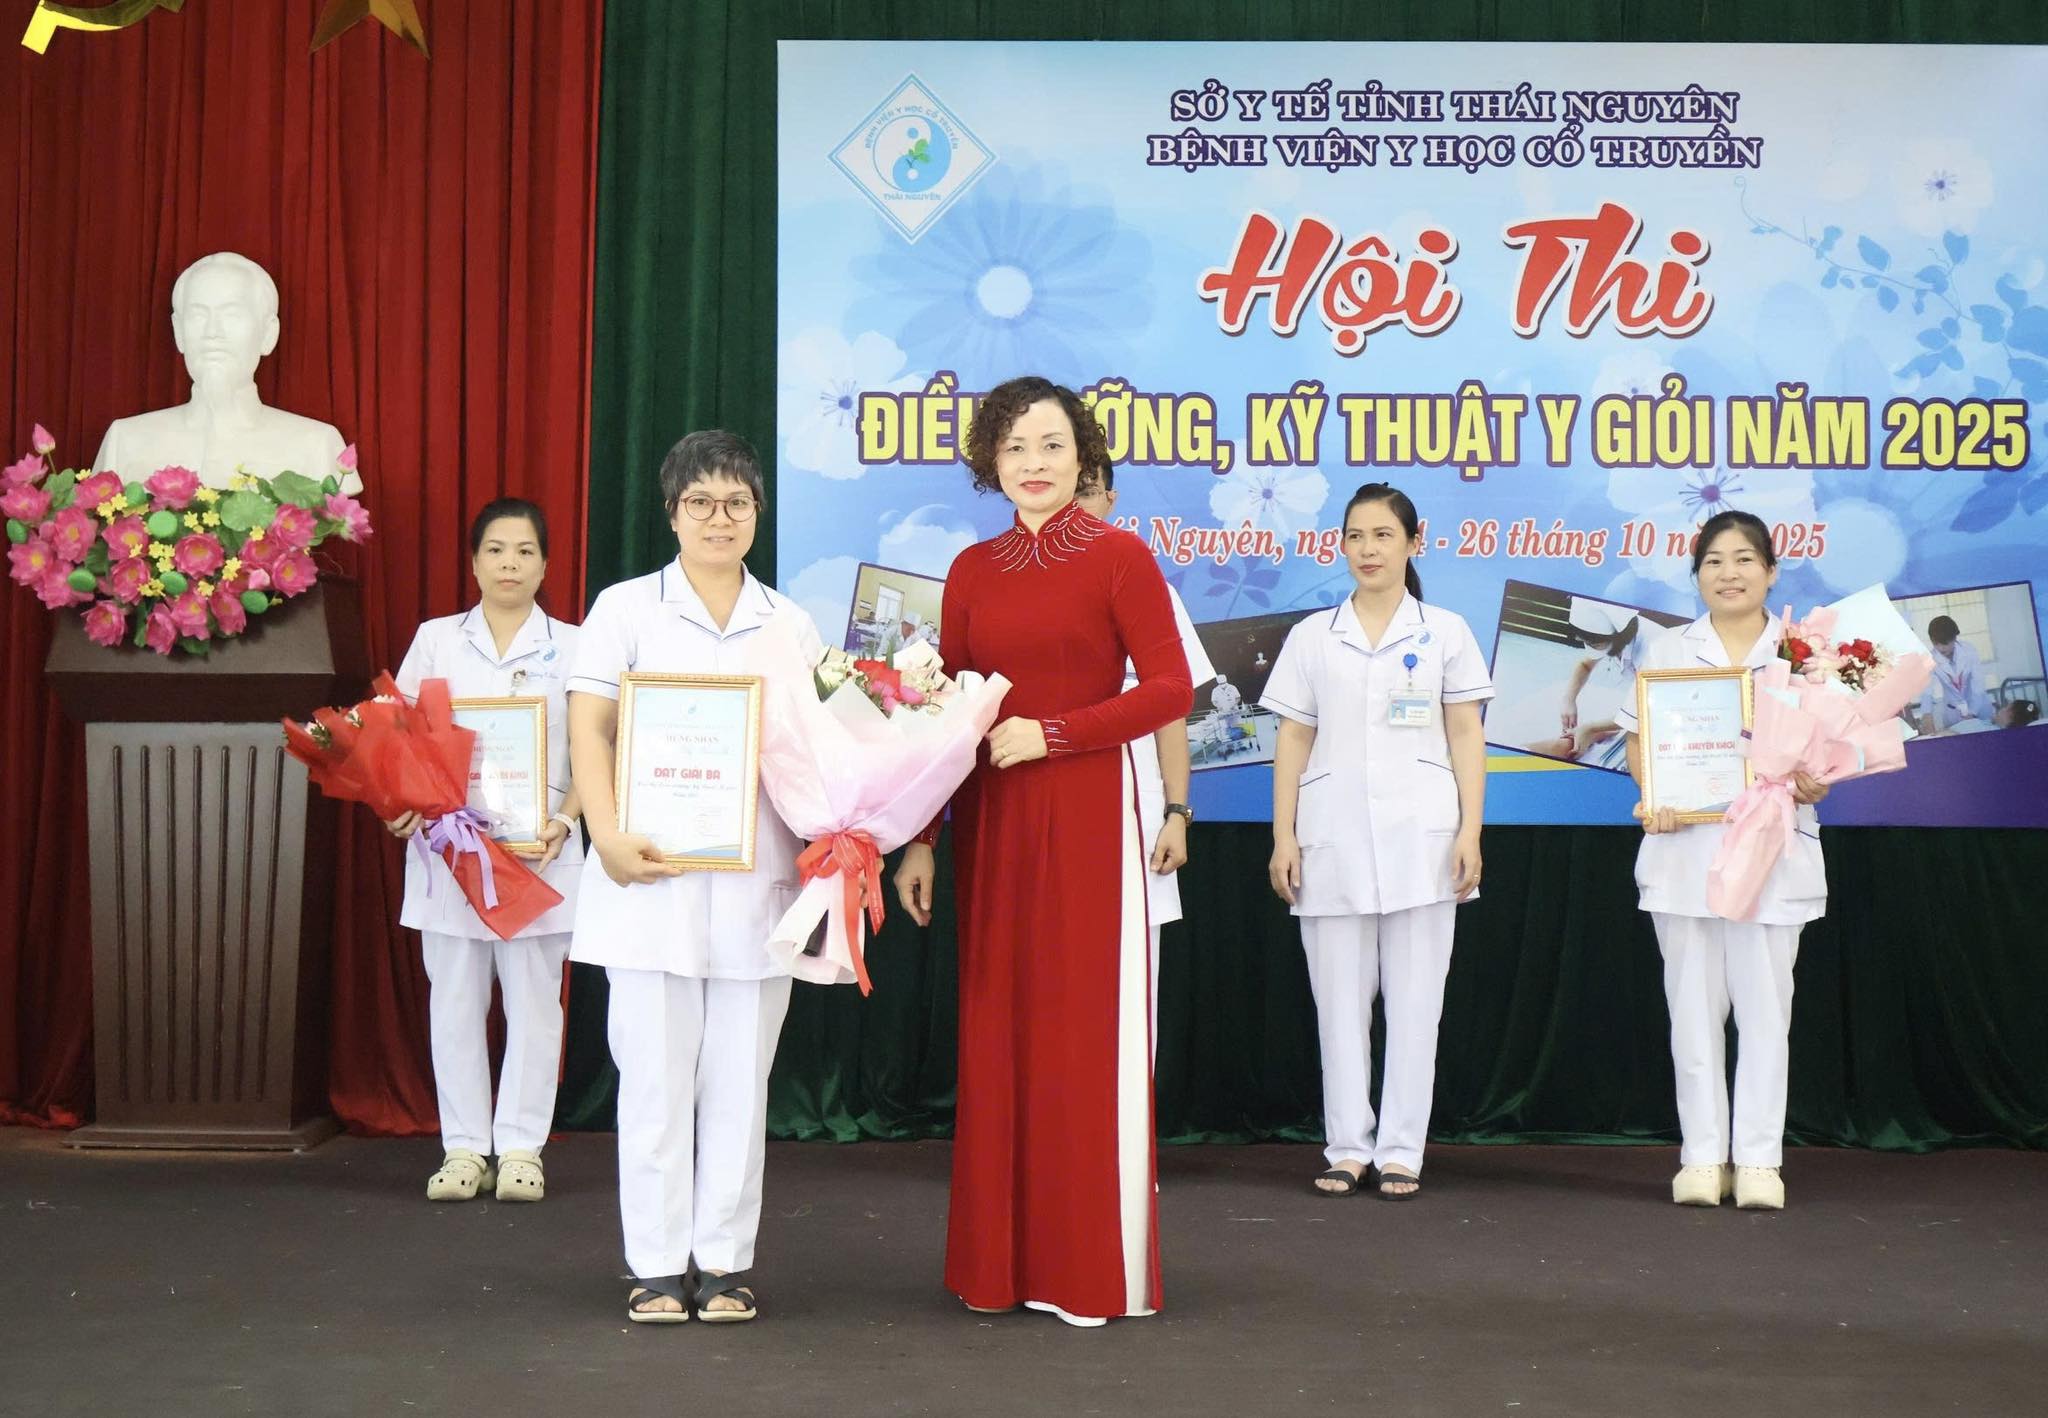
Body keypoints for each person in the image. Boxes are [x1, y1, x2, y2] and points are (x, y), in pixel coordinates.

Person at [893, 376, 1192, 1327]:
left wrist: (1057, 733)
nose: (1034, 463)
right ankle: (999, 1266)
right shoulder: (972, 570)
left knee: (1078, 1035)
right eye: (1016, 446)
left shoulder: (1119, 557)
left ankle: (1085, 1270)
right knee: (997, 1033)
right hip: (991, 823)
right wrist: (921, 839)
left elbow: (1171, 690)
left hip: (1088, 815)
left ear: (1082, 455)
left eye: (1052, 445)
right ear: (992, 459)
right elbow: (946, 717)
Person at [566, 431, 824, 1324]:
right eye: (701, 502)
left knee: (740, 1085)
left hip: (760, 882)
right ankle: (653, 1266)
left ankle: (722, 1263)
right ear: (672, 513)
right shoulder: (626, 609)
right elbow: (589, 726)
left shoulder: (789, 623)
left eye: (737, 502)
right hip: (647, 879)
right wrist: (604, 833)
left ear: (758, 512)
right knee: (653, 1083)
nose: (720, 518)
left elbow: (823, 750)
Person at [1262, 483, 1491, 1201]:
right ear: (1340, 545)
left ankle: (1400, 1151)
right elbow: (1293, 737)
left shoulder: (1445, 631)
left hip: (1425, 838)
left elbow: (1465, 733)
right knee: (1339, 1007)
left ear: (1414, 543)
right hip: (1329, 838)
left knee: (1418, 1005)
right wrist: (1283, 835)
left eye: (1384, 535)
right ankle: (1347, 1147)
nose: (1368, 550)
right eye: (1355, 536)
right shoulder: (1313, 635)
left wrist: (1471, 830)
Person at [1618, 509, 1829, 1211]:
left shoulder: (1805, 654)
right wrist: (1656, 796)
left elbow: (1829, 748)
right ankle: (1702, 1157)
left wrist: (1818, 781)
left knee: (1767, 1014)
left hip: (1773, 852)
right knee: (1692, 1013)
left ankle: (1761, 1161)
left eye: (1743, 559)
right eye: (1713, 561)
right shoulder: (1668, 649)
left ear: (1771, 570)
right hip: (1686, 851)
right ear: (1696, 574)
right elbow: (1640, 741)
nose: (1728, 573)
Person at [387, 499, 582, 1204]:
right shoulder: (436, 641)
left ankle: (523, 1148)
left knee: (535, 1005)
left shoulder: (576, 645)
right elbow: (397, 737)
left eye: (525, 551)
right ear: (473, 563)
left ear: (546, 565)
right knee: (455, 1001)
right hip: (451, 852)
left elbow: (600, 748)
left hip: (538, 852)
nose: (510, 564)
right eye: (496, 550)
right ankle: (464, 1148)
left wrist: (566, 820)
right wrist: (402, 802)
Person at [1074, 462, 1218, 1057]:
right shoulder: (1012, 585)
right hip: (1043, 805)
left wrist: (1177, 813)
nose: (1075, 504)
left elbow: (1170, 711)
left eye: (1087, 491)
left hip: (1133, 812)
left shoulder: (1148, 587)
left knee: (1132, 991)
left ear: (1110, 500)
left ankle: (1126, 1118)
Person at [93, 252, 360, 493]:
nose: (212, 332)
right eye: (198, 315)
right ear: (179, 331)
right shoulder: (125, 440)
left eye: (232, 315)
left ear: (268, 333)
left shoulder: (316, 445)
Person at [1531, 597, 1642, 767]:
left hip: (1666, 706)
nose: (1588, 647)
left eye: (1592, 643)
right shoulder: (1611, 634)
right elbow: (1585, 664)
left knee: (1563, 746)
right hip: (1641, 703)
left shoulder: (1651, 652)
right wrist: (1568, 699)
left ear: (1617, 636)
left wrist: (1590, 729)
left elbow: (1646, 711)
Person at [1917, 616, 1993, 733]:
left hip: (1979, 707)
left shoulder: (1969, 650)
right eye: (1936, 643)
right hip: (1953, 712)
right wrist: (1927, 714)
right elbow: (1926, 690)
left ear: (1954, 638)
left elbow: (1978, 682)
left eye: (1945, 643)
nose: (1940, 648)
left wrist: (1973, 711)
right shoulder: (1931, 659)